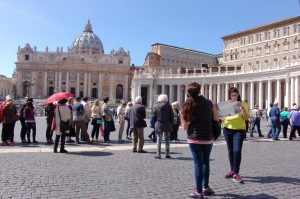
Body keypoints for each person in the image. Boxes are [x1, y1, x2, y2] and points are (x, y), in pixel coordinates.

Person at [180, 82, 218, 198]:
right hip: (208, 138)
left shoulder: (187, 104)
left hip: (194, 139)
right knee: (206, 162)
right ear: (200, 90)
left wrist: (182, 116)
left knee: (198, 163)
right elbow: (216, 118)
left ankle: (198, 191)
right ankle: (205, 187)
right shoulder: (208, 103)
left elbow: (185, 127)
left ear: (188, 93)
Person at [222, 87, 249, 183]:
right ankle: (232, 170)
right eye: (232, 95)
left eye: (235, 95)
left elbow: (246, 118)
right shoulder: (226, 104)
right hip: (227, 129)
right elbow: (222, 116)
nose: (234, 97)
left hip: (239, 130)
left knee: (237, 150)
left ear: (238, 95)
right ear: (229, 96)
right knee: (230, 150)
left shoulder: (243, 104)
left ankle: (236, 172)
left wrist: (241, 109)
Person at [153, 94, 173, 159]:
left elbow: (154, 115)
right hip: (167, 123)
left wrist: (155, 122)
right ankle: (167, 153)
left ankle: (158, 154)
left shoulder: (155, 105)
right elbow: (171, 116)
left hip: (158, 123)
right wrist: (171, 122)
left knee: (159, 139)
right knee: (167, 139)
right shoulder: (169, 105)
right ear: (166, 99)